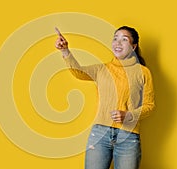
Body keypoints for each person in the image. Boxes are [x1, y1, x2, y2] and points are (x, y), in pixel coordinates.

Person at [55, 26, 155, 169]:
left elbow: (149, 105)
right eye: (115, 38)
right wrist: (65, 50)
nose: (118, 43)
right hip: (99, 134)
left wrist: (129, 115)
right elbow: (78, 72)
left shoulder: (143, 72)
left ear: (133, 47)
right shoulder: (102, 69)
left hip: (128, 136)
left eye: (124, 39)